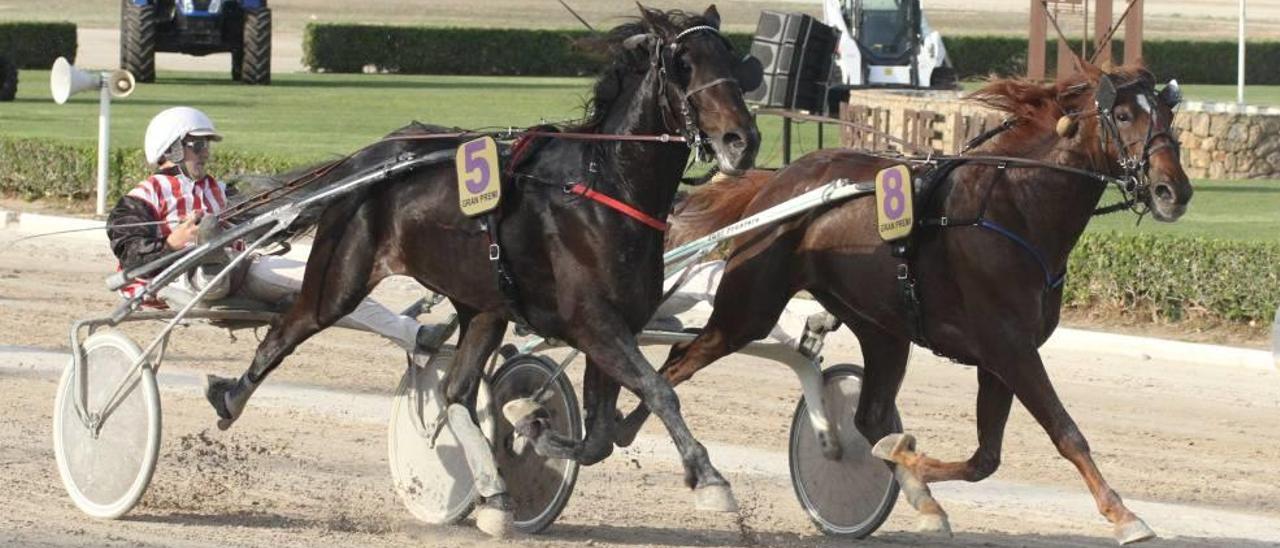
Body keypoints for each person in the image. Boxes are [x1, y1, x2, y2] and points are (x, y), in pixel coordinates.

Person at [106, 106, 446, 356]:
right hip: (179, 280)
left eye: (206, 145)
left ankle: (414, 336)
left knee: (332, 282)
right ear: (173, 149)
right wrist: (172, 243)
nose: (206, 152)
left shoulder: (219, 191)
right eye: (198, 145)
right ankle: (209, 253)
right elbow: (132, 255)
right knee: (212, 258)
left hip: (239, 268)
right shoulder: (143, 197)